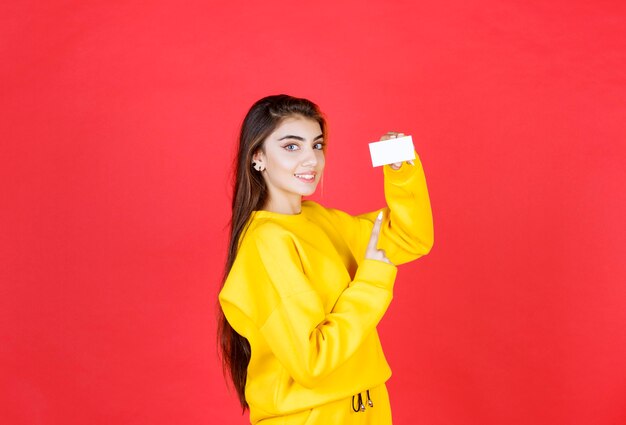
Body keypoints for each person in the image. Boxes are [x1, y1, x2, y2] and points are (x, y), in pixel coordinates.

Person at [218, 94, 434, 424]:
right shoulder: (267, 244)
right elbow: (312, 362)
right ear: (258, 157)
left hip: (366, 406)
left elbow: (409, 238)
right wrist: (373, 281)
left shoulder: (319, 219)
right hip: (314, 417)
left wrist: (400, 169)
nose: (311, 160)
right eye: (292, 146)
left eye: (316, 145)